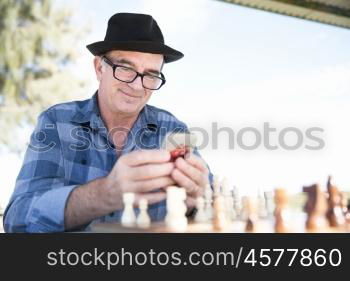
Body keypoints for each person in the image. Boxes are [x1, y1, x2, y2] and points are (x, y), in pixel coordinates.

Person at [3, 13, 212, 233]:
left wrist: (196, 202)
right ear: (99, 68)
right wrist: (104, 195)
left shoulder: (174, 129)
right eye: (126, 68)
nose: (138, 86)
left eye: (151, 75)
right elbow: (17, 219)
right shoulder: (55, 121)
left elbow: (212, 206)